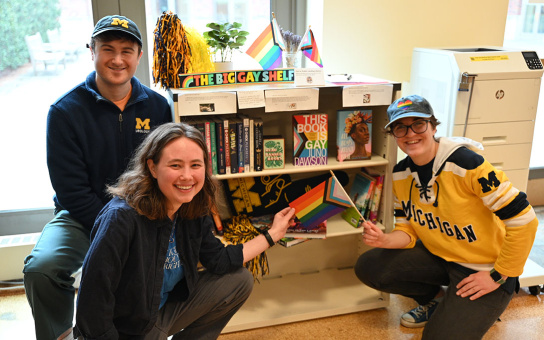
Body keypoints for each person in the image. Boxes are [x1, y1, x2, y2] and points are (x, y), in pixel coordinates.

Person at [23, 15, 172, 340]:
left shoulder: (159, 107)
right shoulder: (64, 112)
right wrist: (113, 230)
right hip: (81, 217)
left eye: (126, 51)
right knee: (42, 270)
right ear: (91, 51)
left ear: (138, 56)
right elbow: (71, 190)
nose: (117, 59)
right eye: (108, 49)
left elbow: (167, 171)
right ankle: (61, 335)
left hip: (143, 214)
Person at [73, 122, 297, 339]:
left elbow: (219, 260)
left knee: (239, 281)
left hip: (159, 314)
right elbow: (92, 303)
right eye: (175, 165)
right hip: (127, 330)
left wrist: (273, 234)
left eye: (196, 165)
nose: (187, 176)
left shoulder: (192, 207)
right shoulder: (121, 218)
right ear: (152, 167)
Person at [354, 95, 538, 339]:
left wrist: (498, 274)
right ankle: (438, 301)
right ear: (394, 135)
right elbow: (407, 231)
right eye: (400, 127)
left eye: (418, 124)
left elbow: (524, 221)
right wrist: (384, 240)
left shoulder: (468, 164)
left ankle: (480, 305)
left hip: (485, 268)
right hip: (440, 257)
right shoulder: (400, 174)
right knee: (370, 266)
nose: (410, 134)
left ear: (433, 126)